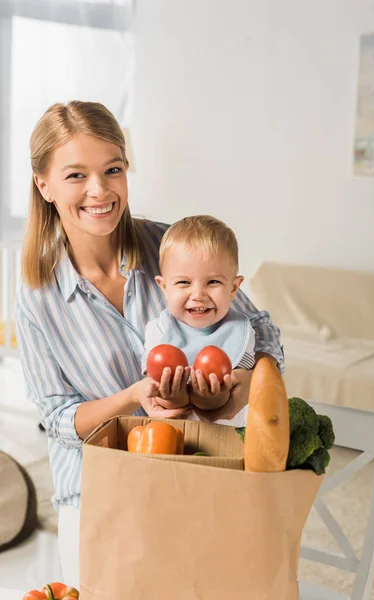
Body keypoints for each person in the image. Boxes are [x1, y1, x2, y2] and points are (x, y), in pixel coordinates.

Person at [15, 100, 284, 588]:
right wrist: (134, 399)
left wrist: (228, 397)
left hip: (200, 474)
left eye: (112, 170)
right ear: (44, 184)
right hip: (99, 496)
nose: (100, 191)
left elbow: (264, 337)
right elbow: (57, 418)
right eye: (76, 175)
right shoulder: (37, 295)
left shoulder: (174, 247)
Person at [141, 215, 259, 426]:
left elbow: (237, 391)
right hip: (171, 440)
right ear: (164, 287)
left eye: (212, 282)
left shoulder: (240, 331)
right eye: (184, 282)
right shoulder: (158, 331)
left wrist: (212, 397)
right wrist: (171, 396)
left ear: (233, 288)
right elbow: (156, 393)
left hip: (225, 441)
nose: (198, 294)